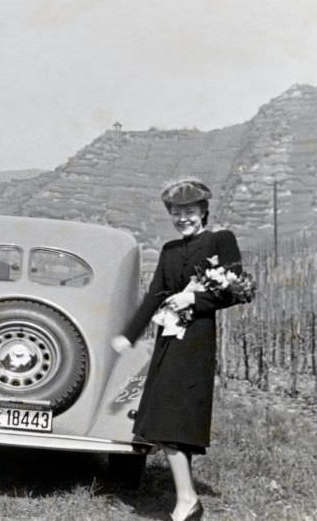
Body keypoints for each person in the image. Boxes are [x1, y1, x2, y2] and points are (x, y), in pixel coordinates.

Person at [110, 178, 245, 521]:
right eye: (177, 212)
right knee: (163, 421)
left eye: (190, 211)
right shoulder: (170, 250)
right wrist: (127, 335)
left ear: (203, 211)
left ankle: (187, 501)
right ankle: (188, 501)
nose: (183, 217)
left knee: (172, 420)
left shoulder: (221, 240)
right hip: (168, 342)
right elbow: (154, 295)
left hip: (197, 343)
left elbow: (238, 291)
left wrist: (194, 298)